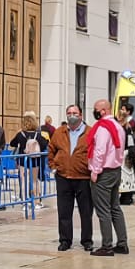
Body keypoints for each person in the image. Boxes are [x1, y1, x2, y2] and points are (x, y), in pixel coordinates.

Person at [86, 100, 130, 255]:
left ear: (103, 110)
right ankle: (122, 243)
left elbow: (100, 151)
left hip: (104, 171)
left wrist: (95, 171)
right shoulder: (119, 126)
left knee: (103, 210)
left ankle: (107, 246)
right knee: (115, 208)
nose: (95, 112)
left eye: (96, 109)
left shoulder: (103, 128)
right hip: (116, 170)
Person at [50, 105, 95, 252]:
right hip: (64, 176)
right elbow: (51, 149)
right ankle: (65, 240)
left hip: (83, 177)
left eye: (75, 113)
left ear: (81, 115)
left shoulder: (90, 132)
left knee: (86, 211)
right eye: (69, 113)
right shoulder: (59, 132)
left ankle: (87, 240)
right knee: (64, 211)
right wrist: (53, 166)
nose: (72, 115)